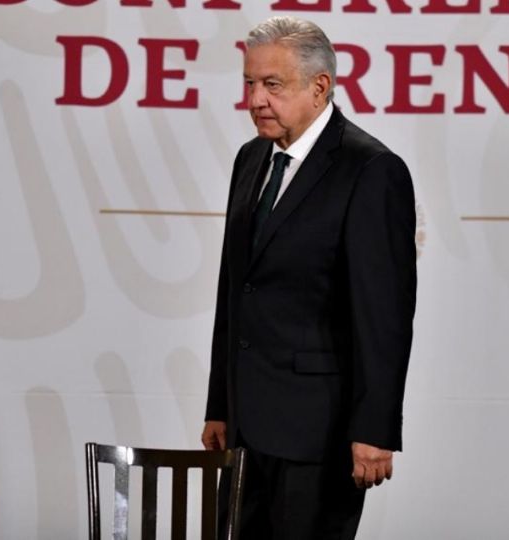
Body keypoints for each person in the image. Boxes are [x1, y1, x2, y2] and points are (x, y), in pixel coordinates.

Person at [201, 15, 417, 539]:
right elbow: (236, 293)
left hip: (320, 437)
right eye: (250, 83)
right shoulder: (250, 160)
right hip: (247, 432)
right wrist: (219, 406)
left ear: (320, 87)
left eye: (272, 85)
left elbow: (382, 315)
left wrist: (374, 429)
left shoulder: (371, 170)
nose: (255, 99)